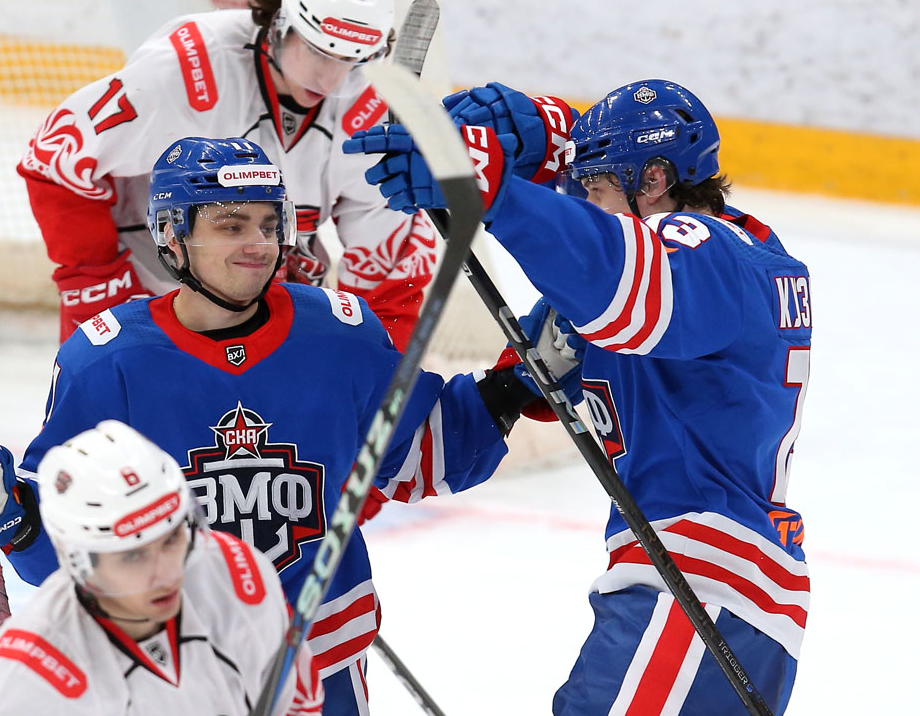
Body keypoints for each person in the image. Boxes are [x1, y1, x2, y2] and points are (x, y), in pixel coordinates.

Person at [0, 137, 518, 716]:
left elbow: (421, 453)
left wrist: (515, 386)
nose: (259, 244)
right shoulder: (108, 362)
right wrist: (8, 510)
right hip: (168, 678)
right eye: (232, 226)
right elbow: (75, 549)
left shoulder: (340, 333)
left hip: (321, 658)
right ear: (172, 236)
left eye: (269, 224)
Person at [344, 80, 812, 714]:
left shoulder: (709, 256)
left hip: (704, 583)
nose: (581, 200)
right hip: (706, 589)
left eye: (593, 187)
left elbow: (618, 272)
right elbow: (467, 429)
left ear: (653, 181)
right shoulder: (686, 268)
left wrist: (490, 185)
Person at [20, 0, 435, 350]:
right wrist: (99, 284)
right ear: (281, 21)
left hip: (269, 302)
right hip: (149, 297)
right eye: (318, 51)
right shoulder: (186, 69)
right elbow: (55, 161)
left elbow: (387, 262)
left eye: (351, 59)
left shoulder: (370, 107)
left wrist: (375, 357)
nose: (331, 79)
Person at [0, 418, 323, 716]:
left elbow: (299, 701)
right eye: (133, 556)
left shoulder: (232, 573)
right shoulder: (24, 683)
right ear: (78, 560)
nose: (167, 573)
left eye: (171, 539)